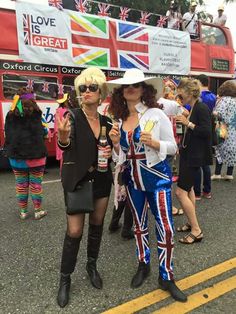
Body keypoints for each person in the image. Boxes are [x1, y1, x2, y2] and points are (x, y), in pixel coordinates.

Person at [107, 68, 187, 302]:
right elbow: (121, 155)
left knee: (166, 227)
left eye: (136, 85)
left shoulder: (155, 114)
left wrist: (156, 143)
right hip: (133, 181)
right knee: (139, 227)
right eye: (126, 86)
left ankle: (167, 275)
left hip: (158, 179)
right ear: (121, 92)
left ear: (144, 90)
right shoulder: (121, 120)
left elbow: (173, 147)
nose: (130, 88)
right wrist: (114, 143)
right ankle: (144, 265)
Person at [56, 67, 113, 308]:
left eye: (92, 88)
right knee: (75, 231)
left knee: (97, 225)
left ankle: (92, 265)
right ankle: (65, 278)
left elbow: (113, 153)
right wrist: (62, 138)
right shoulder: (71, 116)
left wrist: (114, 148)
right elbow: (66, 146)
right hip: (77, 180)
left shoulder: (107, 121)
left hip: (102, 179)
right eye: (83, 88)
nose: (87, 92)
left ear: (101, 94)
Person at [175, 78, 212, 244]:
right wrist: (187, 118)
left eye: (181, 90)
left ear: (190, 92)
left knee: (180, 192)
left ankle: (196, 230)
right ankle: (191, 223)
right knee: (188, 189)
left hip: (195, 157)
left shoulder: (202, 107)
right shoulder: (193, 107)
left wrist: (187, 122)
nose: (178, 94)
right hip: (188, 154)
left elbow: (206, 131)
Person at [4, 87, 48, 220]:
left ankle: (23, 212)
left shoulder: (10, 115)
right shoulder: (37, 114)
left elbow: (7, 134)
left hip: (16, 157)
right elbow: (45, 133)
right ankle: (37, 211)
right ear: (32, 100)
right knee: (36, 184)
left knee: (21, 184)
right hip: (36, 157)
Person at [194, 74, 216, 200]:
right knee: (206, 163)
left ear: (198, 82)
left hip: (197, 129)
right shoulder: (214, 97)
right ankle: (207, 191)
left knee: (197, 162)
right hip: (209, 130)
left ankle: (197, 193)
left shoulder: (198, 97)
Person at [211, 80, 236, 181]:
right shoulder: (235, 100)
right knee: (232, 150)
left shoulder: (224, 100)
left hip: (223, 128)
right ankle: (229, 174)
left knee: (219, 148)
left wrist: (214, 113)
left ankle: (217, 173)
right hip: (234, 130)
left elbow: (218, 113)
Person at [54, 93, 69, 171]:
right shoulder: (65, 111)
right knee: (65, 155)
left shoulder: (58, 110)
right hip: (64, 135)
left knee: (63, 156)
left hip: (60, 135)